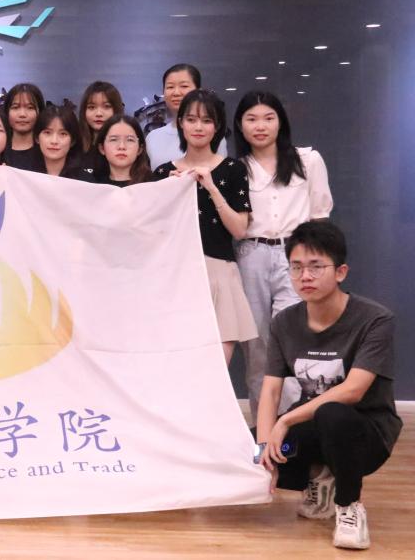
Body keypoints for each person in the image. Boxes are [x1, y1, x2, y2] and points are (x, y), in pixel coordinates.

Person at [257, 221, 401, 551]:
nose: (305, 276)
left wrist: (285, 420)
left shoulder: (375, 319)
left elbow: (353, 390)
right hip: (312, 429)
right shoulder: (284, 322)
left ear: (340, 272)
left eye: (316, 266)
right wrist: (263, 448)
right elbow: (271, 390)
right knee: (247, 446)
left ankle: (349, 506)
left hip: (365, 435)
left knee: (332, 414)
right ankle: (319, 477)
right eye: (296, 267)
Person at [234, 91, 334, 419]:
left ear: (281, 121)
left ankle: (294, 428)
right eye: (251, 119)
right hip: (250, 254)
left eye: (268, 118)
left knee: (293, 338)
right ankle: (265, 430)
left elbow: (320, 215)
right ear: (240, 125)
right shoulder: (236, 168)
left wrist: (317, 265)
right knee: (257, 345)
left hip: (296, 255)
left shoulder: (308, 160)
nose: (260, 126)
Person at [154, 89, 257, 363]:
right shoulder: (163, 173)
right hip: (174, 274)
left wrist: (211, 187)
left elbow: (239, 230)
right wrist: (168, 191)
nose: (198, 127)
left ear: (217, 126)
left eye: (207, 120)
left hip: (219, 270)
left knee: (218, 365)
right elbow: (152, 234)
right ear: (180, 123)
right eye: (191, 119)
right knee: (177, 364)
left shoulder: (233, 169)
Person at [145, 63, 227, 169]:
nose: (176, 92)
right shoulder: (153, 137)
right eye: (170, 87)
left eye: (184, 86)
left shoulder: (209, 134)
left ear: (198, 90)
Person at [78, 115, 153, 187]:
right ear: (102, 148)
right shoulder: (89, 185)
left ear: (140, 149)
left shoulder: (153, 186)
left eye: (130, 140)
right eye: (113, 140)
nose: (121, 146)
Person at [76, 81, 125, 170]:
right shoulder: (74, 145)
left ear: (116, 110)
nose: (98, 113)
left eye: (106, 106)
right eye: (92, 107)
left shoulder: (126, 148)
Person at [1, 84, 44, 170]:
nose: (22, 114)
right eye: (15, 107)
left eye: (30, 108)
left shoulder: (48, 150)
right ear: (7, 112)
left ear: (40, 111)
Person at [32, 105, 81, 178]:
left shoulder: (85, 180)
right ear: (37, 138)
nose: (54, 141)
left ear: (72, 141)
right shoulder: (23, 173)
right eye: (47, 132)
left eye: (63, 134)